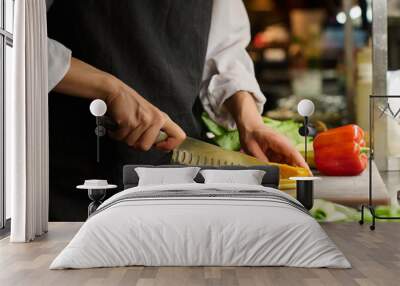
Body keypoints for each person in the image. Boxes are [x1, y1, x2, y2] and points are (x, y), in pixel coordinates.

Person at [47, 0, 308, 221]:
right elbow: (15, 40)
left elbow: (224, 50)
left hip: (176, 176)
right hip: (72, 177)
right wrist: (109, 89)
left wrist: (251, 123)